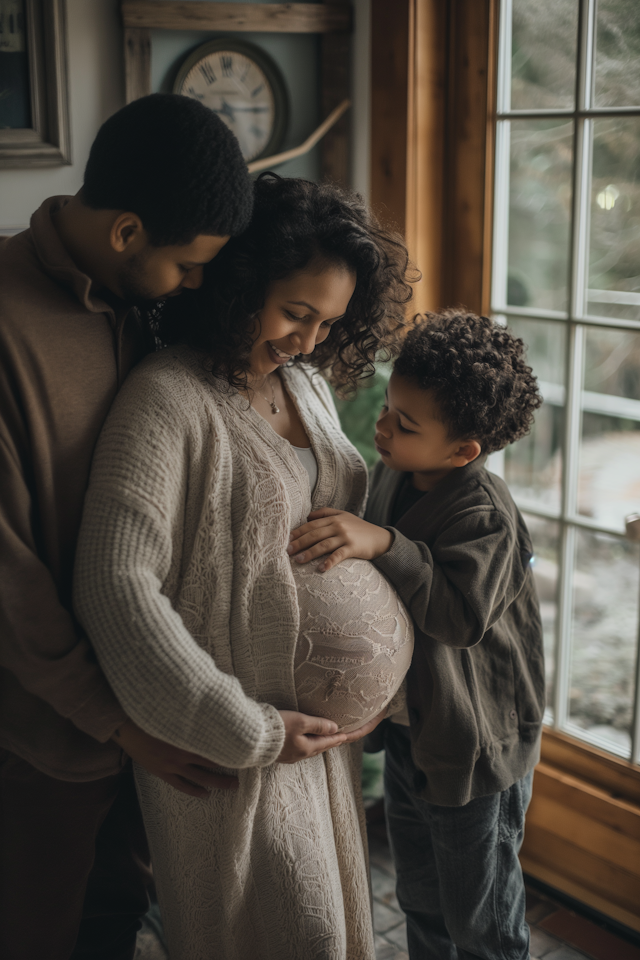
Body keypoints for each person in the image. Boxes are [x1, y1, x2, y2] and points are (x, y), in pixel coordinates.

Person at [73, 173, 414, 960]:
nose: (310, 340)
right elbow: (114, 584)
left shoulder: (307, 383)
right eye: (297, 312)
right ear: (238, 285)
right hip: (234, 747)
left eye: (330, 322)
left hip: (316, 749)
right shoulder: (167, 400)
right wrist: (246, 731)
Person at [0, 93, 254, 960]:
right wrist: (115, 720)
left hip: (150, 715)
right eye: (186, 266)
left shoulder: (150, 309)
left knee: (119, 927)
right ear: (125, 233)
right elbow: (10, 579)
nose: (195, 287)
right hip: (43, 736)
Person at [288, 311, 546, 960]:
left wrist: (384, 542)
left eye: (406, 424)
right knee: (421, 900)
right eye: (390, 408)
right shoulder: (395, 474)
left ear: (464, 451)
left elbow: (458, 617)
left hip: (474, 749)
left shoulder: (484, 514)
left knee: (480, 921)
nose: (384, 426)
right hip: (414, 734)